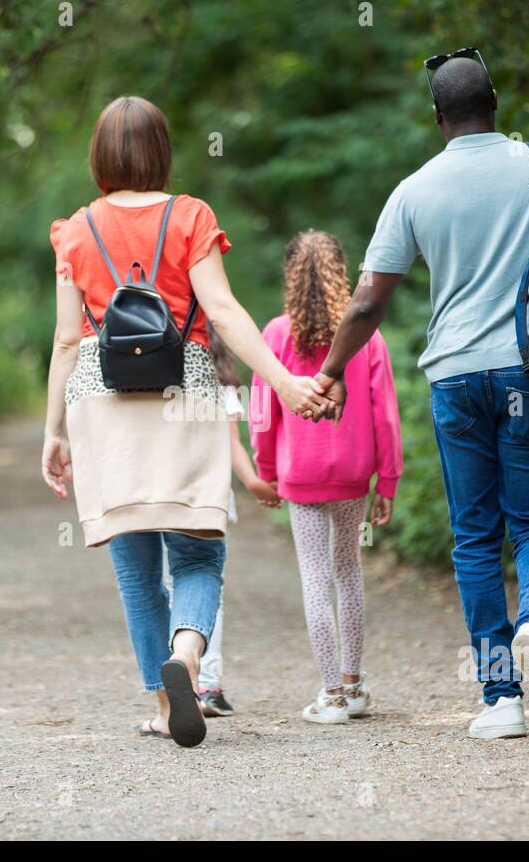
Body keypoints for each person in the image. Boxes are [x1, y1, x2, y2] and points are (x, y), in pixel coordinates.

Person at [309, 52, 529, 739]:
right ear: (496, 103)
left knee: (476, 536)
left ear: (437, 118)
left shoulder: (414, 190)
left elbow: (367, 300)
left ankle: (501, 700)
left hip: (457, 378)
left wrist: (333, 369)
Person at [41, 96, 332, 748]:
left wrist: (53, 432)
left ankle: (161, 702)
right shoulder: (190, 215)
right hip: (186, 392)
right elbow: (222, 311)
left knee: (135, 563)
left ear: (99, 156)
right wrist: (281, 382)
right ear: (162, 151)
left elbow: (65, 340)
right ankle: (190, 658)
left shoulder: (75, 230)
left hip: (102, 403)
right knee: (199, 548)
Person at [250, 231, 402, 725]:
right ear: (342, 274)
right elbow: (386, 414)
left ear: (291, 277)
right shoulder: (367, 336)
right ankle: (355, 686)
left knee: (314, 577)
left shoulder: (273, 336)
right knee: (348, 571)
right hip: (355, 473)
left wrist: (265, 470)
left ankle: (331, 696)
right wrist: (388, 480)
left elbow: (260, 410)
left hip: (301, 474)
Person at [161, 334, 282, 718]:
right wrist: (254, 483)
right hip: (209, 499)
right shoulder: (224, 387)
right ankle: (208, 683)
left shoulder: (156, 382)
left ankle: (176, 680)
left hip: (159, 495)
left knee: (166, 587)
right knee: (205, 585)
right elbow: (233, 445)